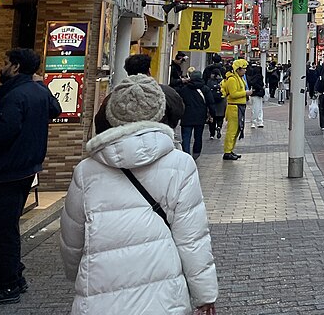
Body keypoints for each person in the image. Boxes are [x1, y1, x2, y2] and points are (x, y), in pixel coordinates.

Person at [59, 75, 218, 314]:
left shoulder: (86, 170)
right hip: (164, 295)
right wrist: (205, 294)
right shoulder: (180, 164)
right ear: (159, 112)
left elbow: (72, 238)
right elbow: (192, 239)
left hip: (100, 292)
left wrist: (77, 273)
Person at [0, 48, 61, 307]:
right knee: (8, 226)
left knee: (1, 229)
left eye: (5, 62)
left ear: (16, 67)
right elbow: (55, 108)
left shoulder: (15, 96)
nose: (2, 66)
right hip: (27, 168)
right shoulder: (37, 91)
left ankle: (9, 284)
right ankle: (15, 276)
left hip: (9, 170)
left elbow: (0, 135)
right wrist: (40, 83)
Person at [95, 54, 184, 135]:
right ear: (149, 71)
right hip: (158, 139)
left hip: (123, 143)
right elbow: (177, 112)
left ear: (128, 72)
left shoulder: (114, 96)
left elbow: (100, 123)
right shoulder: (167, 92)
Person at [177, 71, 213, 159]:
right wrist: (212, 114)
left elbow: (179, 102)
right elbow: (211, 103)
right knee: (198, 136)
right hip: (200, 116)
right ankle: (196, 154)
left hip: (186, 116)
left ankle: (186, 155)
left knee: (186, 137)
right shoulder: (205, 89)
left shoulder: (184, 89)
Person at [220, 59, 248, 161]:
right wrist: (245, 93)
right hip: (234, 107)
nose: (245, 70)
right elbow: (233, 94)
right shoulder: (232, 79)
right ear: (238, 69)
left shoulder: (238, 78)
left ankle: (230, 150)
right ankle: (227, 151)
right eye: (243, 69)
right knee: (232, 130)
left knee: (236, 130)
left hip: (238, 107)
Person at [204, 61, 227, 141]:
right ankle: (219, 126)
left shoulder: (209, 81)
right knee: (220, 116)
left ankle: (212, 134)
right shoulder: (223, 81)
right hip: (221, 101)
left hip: (212, 101)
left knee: (212, 117)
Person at [245, 60, 265, 129]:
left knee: (255, 108)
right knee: (258, 108)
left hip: (253, 93)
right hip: (258, 94)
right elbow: (260, 85)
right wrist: (261, 88)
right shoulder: (259, 77)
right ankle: (258, 121)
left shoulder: (250, 76)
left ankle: (256, 122)